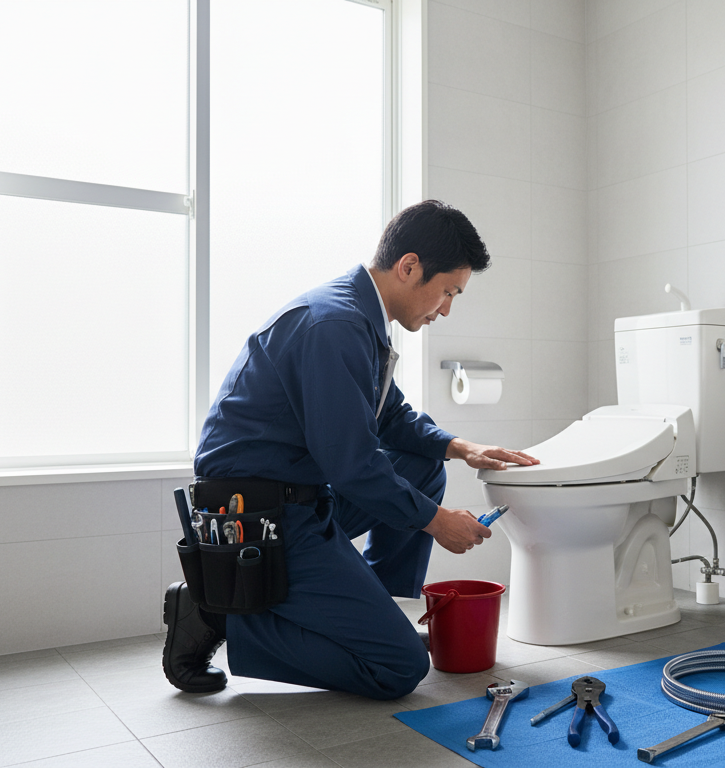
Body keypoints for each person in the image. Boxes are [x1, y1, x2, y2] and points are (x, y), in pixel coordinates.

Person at [161, 200, 538, 699]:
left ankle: (371, 607)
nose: (446, 308)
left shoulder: (359, 319)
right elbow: (355, 464)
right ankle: (217, 615)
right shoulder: (333, 326)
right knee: (399, 666)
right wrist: (436, 521)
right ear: (409, 267)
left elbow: (390, 417)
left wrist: (461, 447)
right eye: (447, 291)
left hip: (298, 496)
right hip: (262, 516)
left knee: (423, 464)